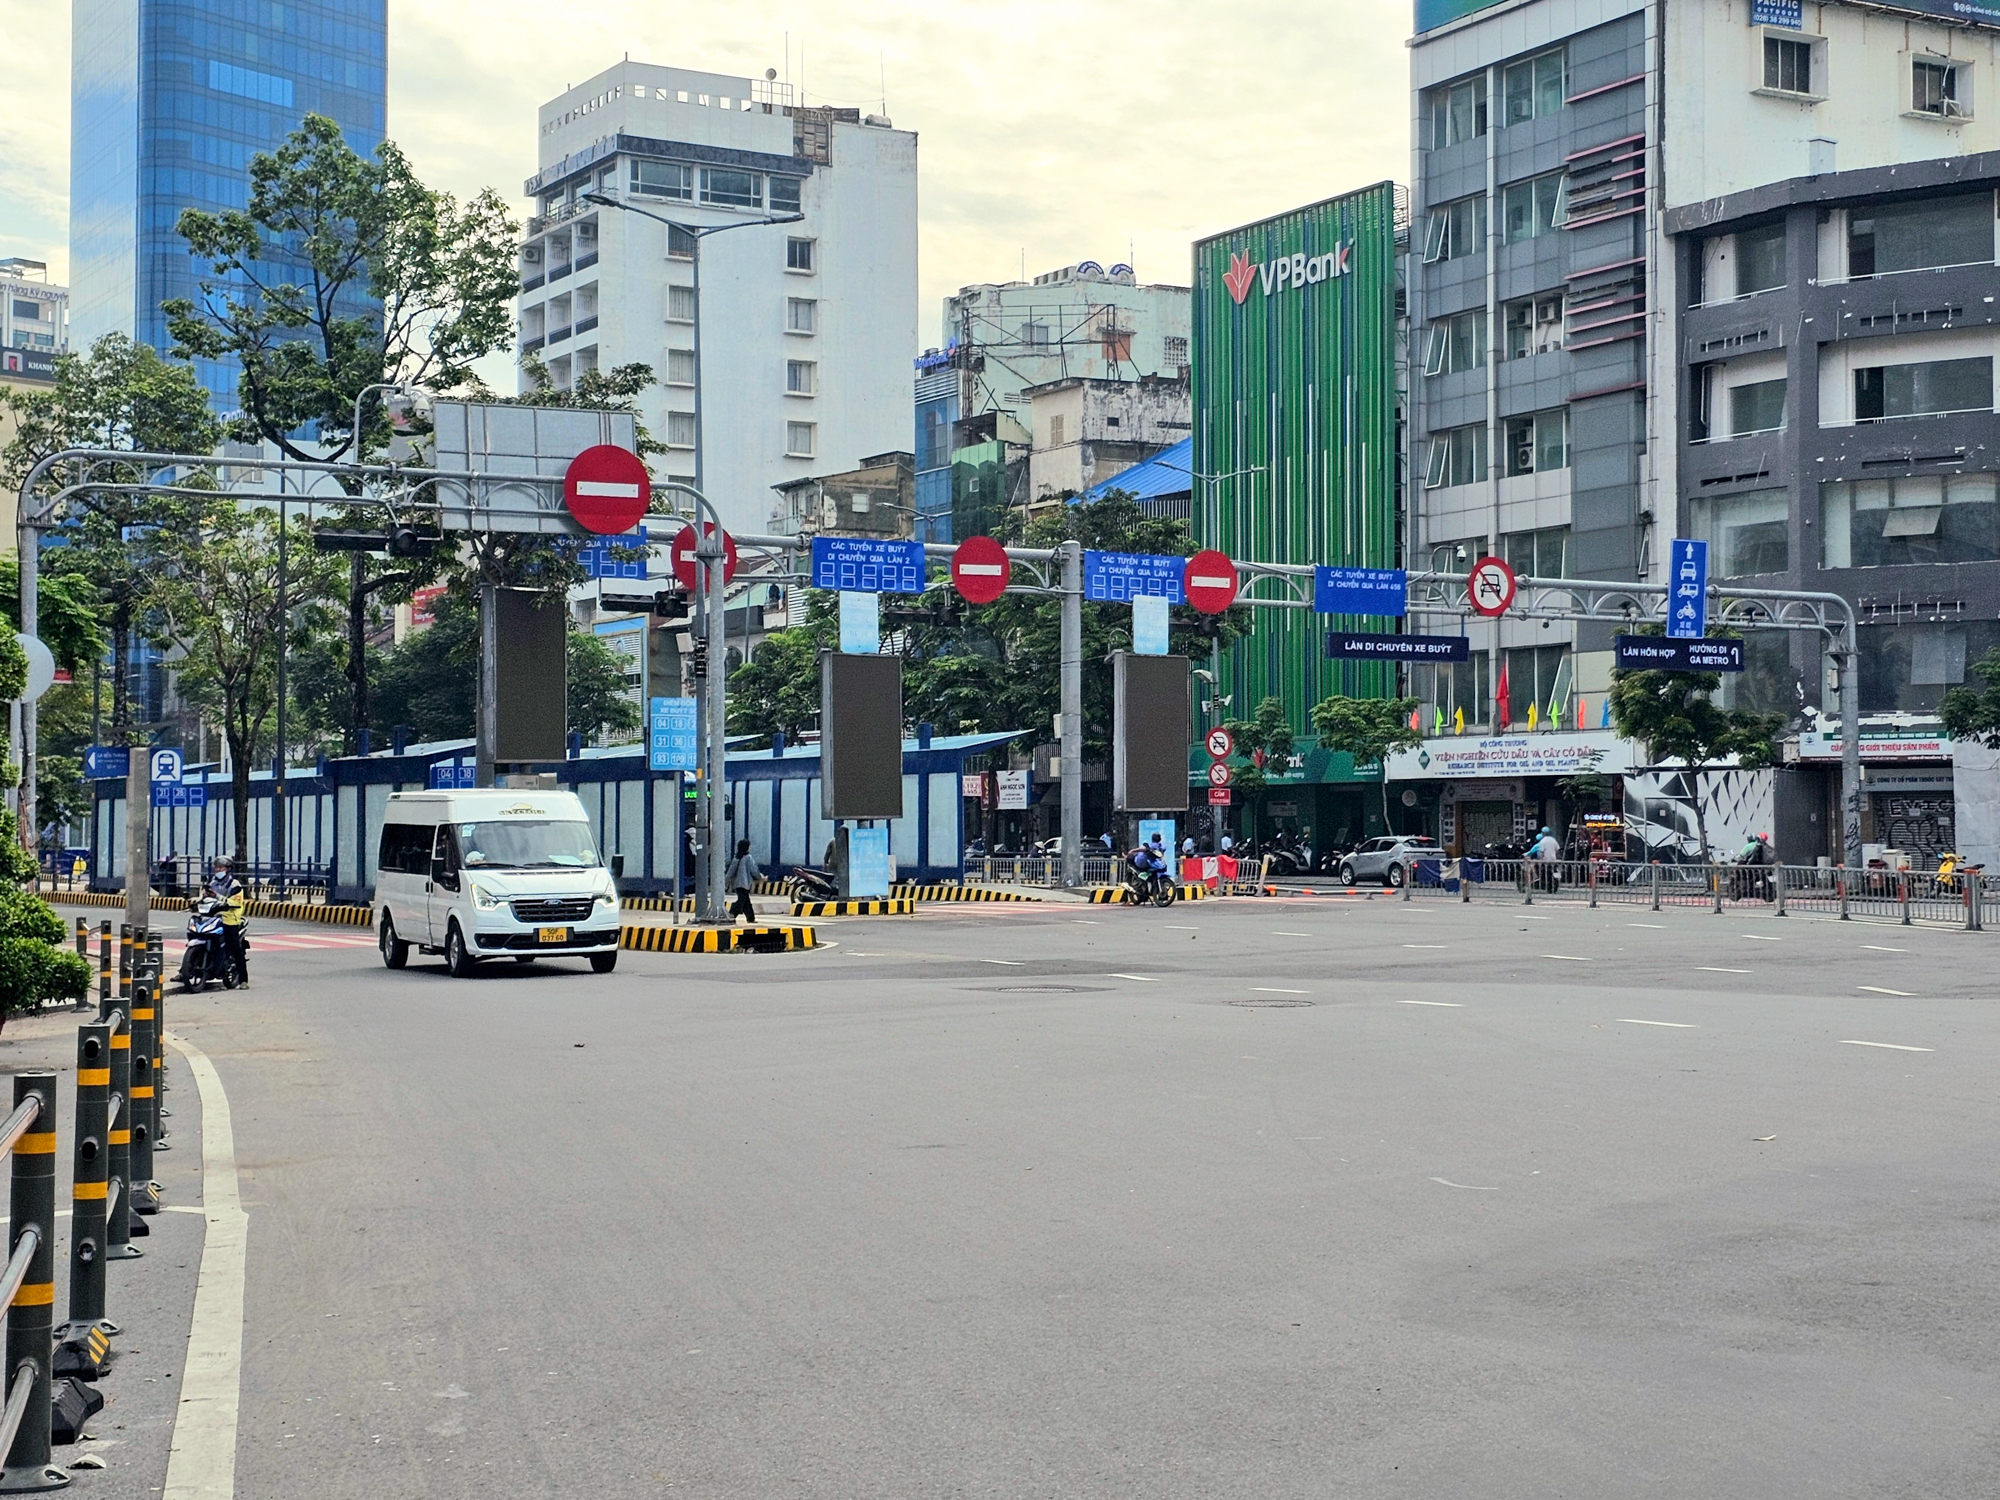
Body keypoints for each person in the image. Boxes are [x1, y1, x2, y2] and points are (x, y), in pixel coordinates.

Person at [206, 857, 247, 983]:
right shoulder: (211, 883)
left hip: (230, 920)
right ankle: (184, 971)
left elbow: (235, 902)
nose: (217, 870)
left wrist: (217, 897)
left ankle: (243, 980)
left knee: (235, 949)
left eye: (221, 868)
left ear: (228, 869)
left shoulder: (235, 885)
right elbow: (204, 898)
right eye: (216, 867)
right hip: (213, 918)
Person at [725, 839, 761, 923]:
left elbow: (730, 872)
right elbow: (754, 870)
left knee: (746, 902)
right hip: (745, 883)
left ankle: (751, 918)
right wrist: (759, 877)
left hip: (737, 884)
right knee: (741, 901)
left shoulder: (736, 858)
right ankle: (732, 914)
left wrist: (726, 883)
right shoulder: (748, 858)